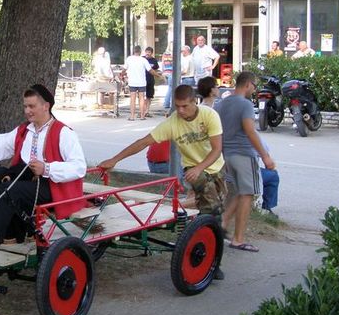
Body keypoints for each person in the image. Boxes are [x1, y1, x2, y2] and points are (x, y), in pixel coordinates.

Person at [99, 84, 226, 278]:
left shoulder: (209, 115)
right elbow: (143, 142)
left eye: (184, 106)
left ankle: (210, 246)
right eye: (177, 106)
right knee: (211, 211)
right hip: (193, 170)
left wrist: (201, 166)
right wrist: (115, 159)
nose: (180, 111)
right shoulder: (172, 123)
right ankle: (210, 263)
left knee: (217, 211)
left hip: (215, 167)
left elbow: (217, 149)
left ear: (194, 101)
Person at [0, 84, 86, 257]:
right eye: (25, 106)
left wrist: (47, 168)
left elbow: (79, 166)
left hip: (52, 186)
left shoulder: (64, 133)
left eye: (31, 106)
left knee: (12, 189)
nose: (27, 111)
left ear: (46, 106)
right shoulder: (25, 130)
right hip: (28, 181)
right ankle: (9, 234)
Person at [215, 72, 275, 253]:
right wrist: (265, 156)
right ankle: (238, 239)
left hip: (227, 155)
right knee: (248, 194)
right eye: (254, 86)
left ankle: (223, 223)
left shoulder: (221, 104)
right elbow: (250, 131)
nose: (254, 90)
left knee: (241, 192)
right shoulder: (246, 104)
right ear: (248, 84)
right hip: (243, 153)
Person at [122, 45, 154, 121]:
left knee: (132, 99)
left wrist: (121, 74)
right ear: (140, 52)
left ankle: (132, 116)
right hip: (141, 82)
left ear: (134, 51)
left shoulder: (129, 59)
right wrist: (158, 75)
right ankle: (142, 116)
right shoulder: (143, 60)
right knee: (142, 99)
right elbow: (150, 70)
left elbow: (124, 69)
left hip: (132, 82)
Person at [163, 45, 195, 111]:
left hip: (187, 78)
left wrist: (176, 74)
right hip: (186, 78)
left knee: (185, 95)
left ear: (187, 51)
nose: (181, 52)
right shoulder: (186, 58)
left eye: (182, 51)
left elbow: (185, 71)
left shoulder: (188, 58)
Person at [144, 47, 160, 115]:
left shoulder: (154, 61)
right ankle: (142, 110)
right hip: (142, 80)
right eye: (146, 52)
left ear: (151, 53)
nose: (147, 53)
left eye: (149, 52)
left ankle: (147, 110)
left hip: (150, 80)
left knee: (149, 96)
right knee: (142, 96)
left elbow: (156, 69)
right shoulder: (142, 59)